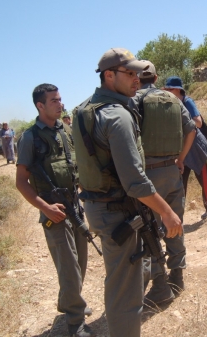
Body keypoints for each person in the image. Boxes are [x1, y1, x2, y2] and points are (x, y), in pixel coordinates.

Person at [72, 47, 182, 337]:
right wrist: (167, 213)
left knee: (125, 278)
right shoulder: (117, 116)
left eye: (138, 73)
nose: (137, 79)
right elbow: (135, 182)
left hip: (101, 206)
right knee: (126, 294)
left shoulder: (85, 109)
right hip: (117, 211)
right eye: (130, 73)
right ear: (109, 75)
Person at [15, 84, 92, 337]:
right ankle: (75, 322)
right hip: (54, 212)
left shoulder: (65, 130)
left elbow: (75, 167)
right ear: (40, 106)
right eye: (54, 101)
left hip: (75, 206)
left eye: (60, 99)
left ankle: (69, 301)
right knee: (69, 267)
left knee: (80, 262)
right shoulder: (30, 139)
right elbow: (21, 182)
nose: (60, 104)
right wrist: (45, 208)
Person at [133, 61, 196, 305]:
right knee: (175, 222)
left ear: (137, 77)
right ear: (156, 77)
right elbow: (192, 130)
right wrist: (180, 159)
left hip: (147, 174)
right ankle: (177, 275)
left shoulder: (133, 101)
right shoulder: (173, 100)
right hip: (172, 171)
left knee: (149, 228)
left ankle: (159, 282)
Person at [164, 76, 207, 220]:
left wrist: (181, 123)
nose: (167, 92)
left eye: (170, 89)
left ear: (178, 90)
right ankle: (178, 215)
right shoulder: (173, 103)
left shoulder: (187, 101)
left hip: (196, 147)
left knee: (204, 179)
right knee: (180, 183)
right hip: (183, 148)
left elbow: (198, 122)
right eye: (166, 89)